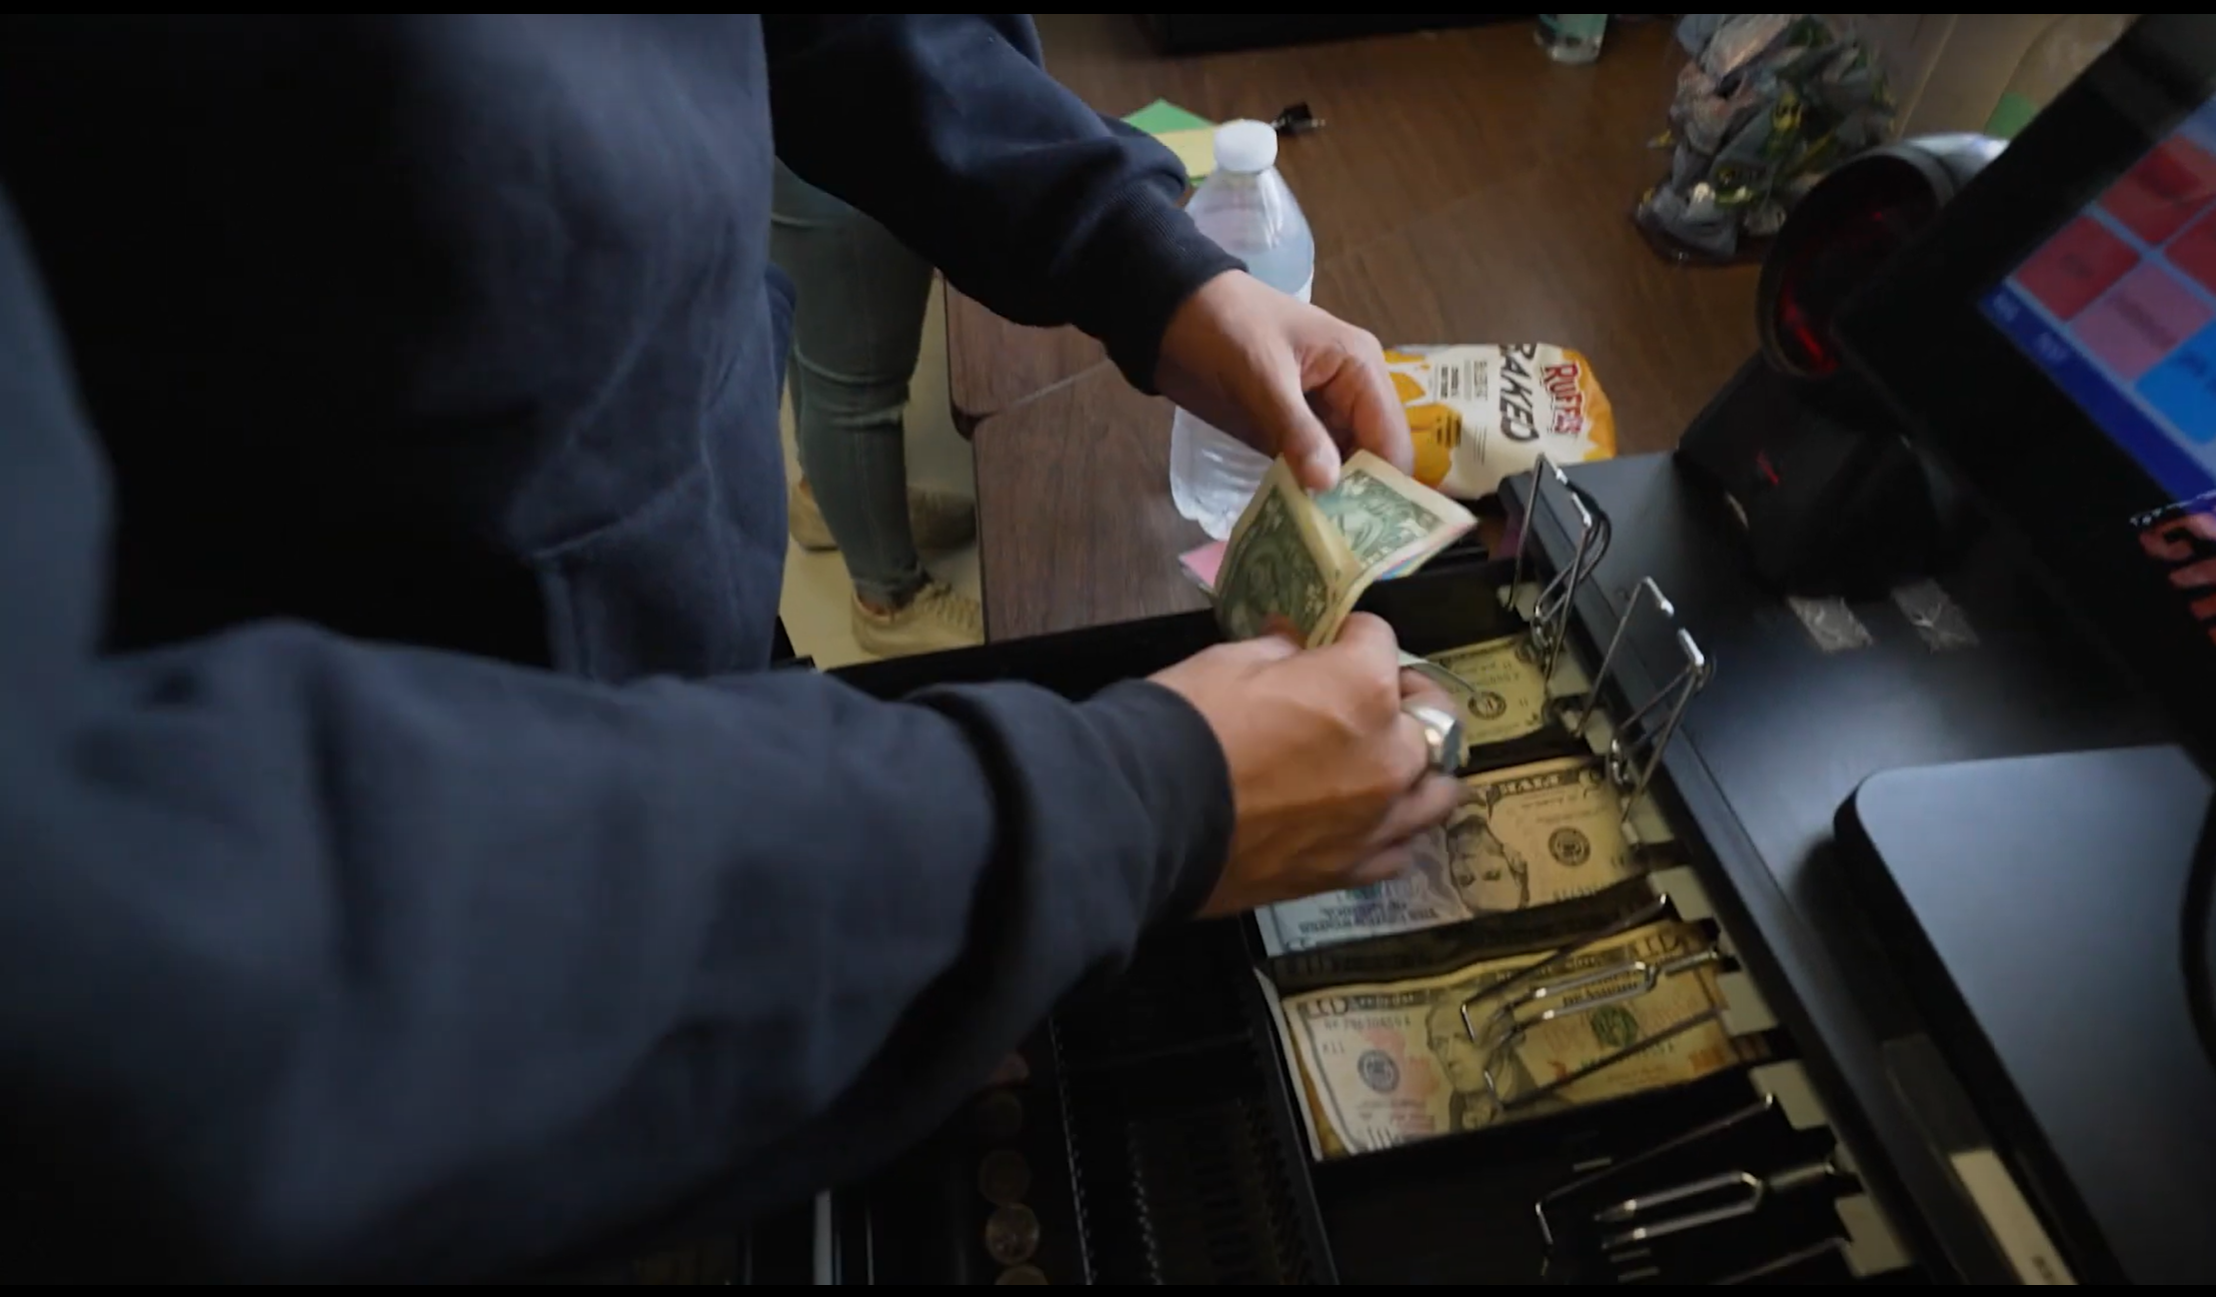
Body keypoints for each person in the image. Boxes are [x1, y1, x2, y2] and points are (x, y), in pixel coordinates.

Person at [0, 15, 1462, 1284]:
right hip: (404, 1005)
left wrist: (1138, 253)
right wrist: (1105, 818)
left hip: (691, 660)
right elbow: (105, 939)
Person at [770, 161, 985, 657]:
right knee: (857, 390)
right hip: (844, 133)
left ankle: (829, 503)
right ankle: (890, 604)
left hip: (796, 124)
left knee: (818, 332)